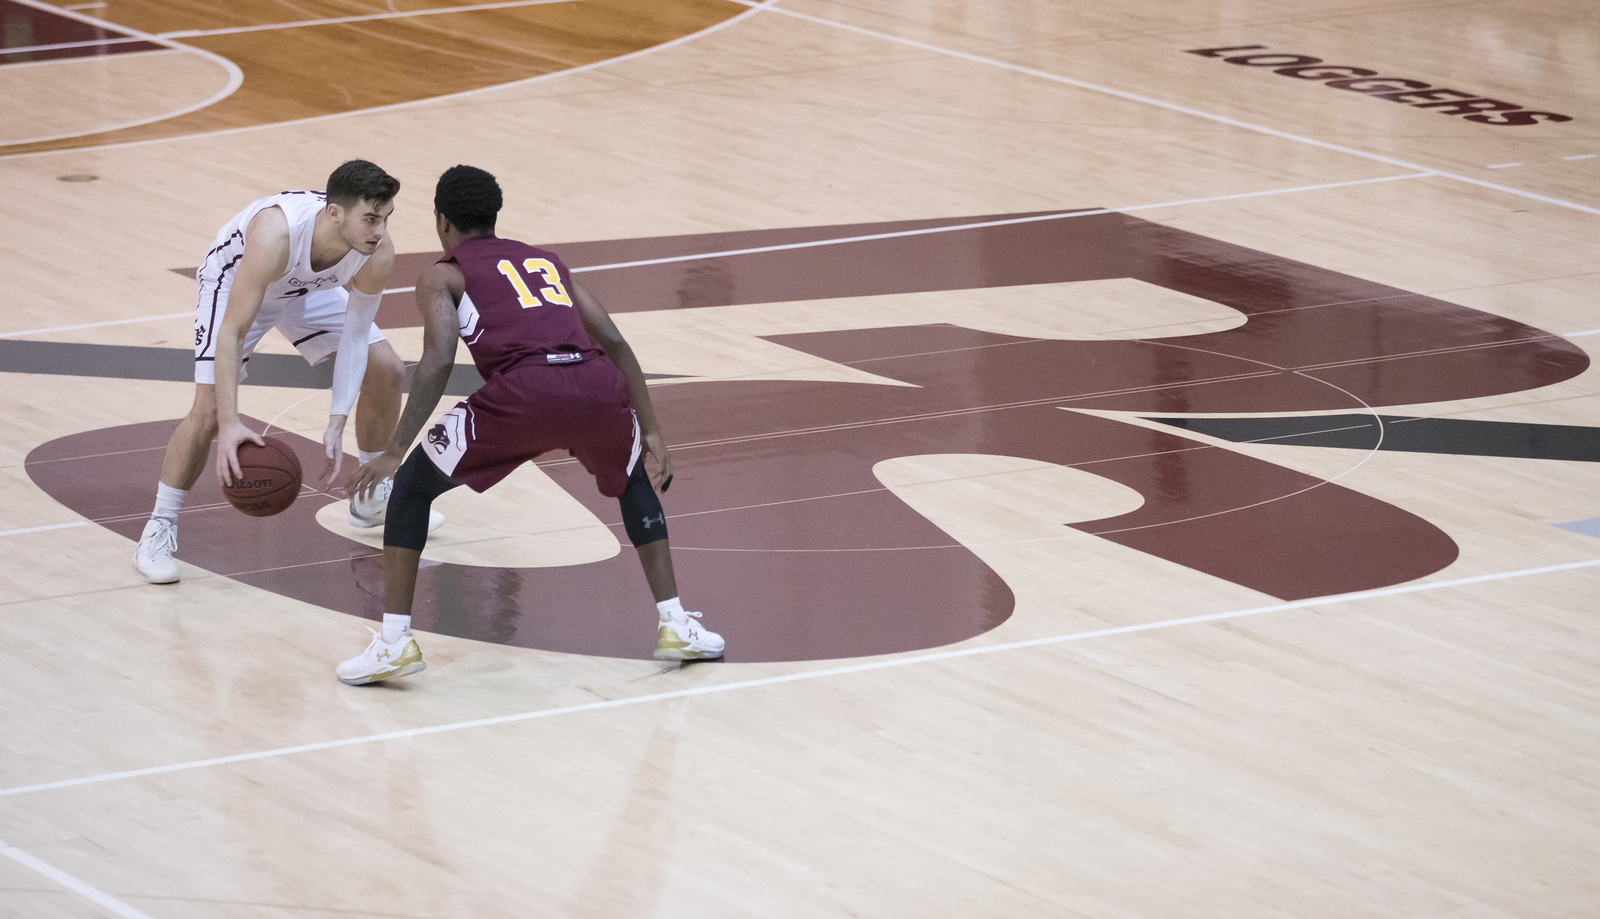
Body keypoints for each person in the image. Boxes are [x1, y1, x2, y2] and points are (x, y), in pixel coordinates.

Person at [335, 164, 723, 685]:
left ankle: (394, 643)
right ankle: (675, 623)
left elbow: (438, 359)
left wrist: (395, 449)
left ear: (442, 220)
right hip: (595, 386)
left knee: (409, 489)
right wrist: (649, 425)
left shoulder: (443, 274)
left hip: (523, 394)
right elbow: (613, 339)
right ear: (494, 216)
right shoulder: (546, 261)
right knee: (633, 484)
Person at [133, 160, 438, 584]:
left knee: (385, 368)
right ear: (335, 213)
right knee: (207, 413)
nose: (379, 230)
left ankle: (370, 497)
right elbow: (233, 330)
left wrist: (337, 420)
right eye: (370, 218)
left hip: (304, 290)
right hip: (237, 283)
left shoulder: (377, 251)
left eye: (386, 218)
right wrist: (233, 421)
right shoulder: (275, 233)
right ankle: (159, 526)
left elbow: (355, 338)